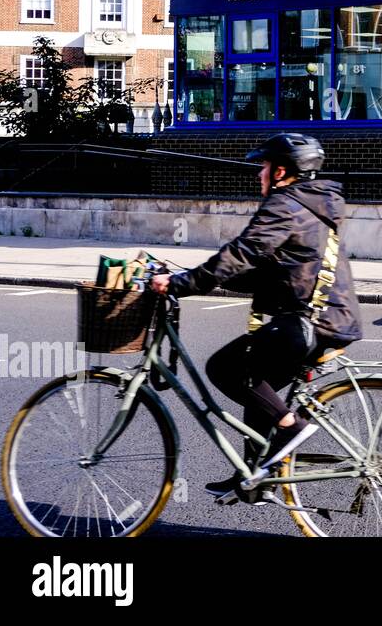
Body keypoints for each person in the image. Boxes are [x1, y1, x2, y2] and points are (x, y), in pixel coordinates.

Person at [150, 133, 363, 499]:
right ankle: (255, 478)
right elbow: (270, 267)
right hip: (329, 318)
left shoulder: (286, 204)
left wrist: (182, 284)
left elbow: (243, 252)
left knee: (225, 368)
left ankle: (290, 427)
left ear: (281, 171)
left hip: (311, 323)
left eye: (263, 167)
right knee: (257, 385)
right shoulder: (312, 203)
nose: (258, 174)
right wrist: (195, 277)